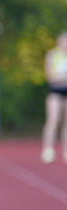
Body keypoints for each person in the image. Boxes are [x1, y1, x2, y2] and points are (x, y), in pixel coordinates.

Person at [41, 32, 67, 164]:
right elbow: (51, 78)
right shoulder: (52, 55)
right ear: (59, 42)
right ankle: (48, 149)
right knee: (53, 120)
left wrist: (60, 77)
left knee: (66, 123)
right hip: (55, 92)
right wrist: (63, 78)